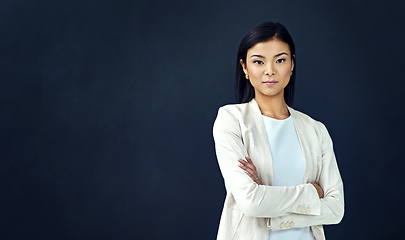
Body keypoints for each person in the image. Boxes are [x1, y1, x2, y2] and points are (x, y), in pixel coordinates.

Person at [212, 22, 344, 240]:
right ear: (245, 67)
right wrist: (314, 193)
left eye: (280, 60)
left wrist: (272, 208)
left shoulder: (316, 130)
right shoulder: (231, 120)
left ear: (292, 64)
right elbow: (251, 202)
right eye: (258, 61)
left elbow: (336, 209)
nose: (270, 70)